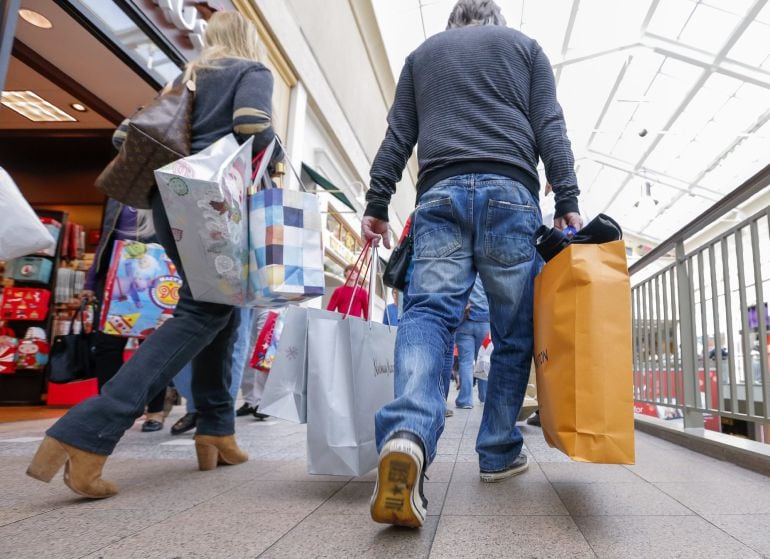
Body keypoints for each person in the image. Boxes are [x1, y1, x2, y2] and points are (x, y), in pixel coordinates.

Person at [26, 11, 280, 499]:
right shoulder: (252, 71)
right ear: (248, 39)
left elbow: (126, 135)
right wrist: (277, 155)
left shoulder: (186, 77)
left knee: (220, 311)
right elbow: (253, 123)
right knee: (204, 307)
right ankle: (88, 430)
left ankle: (216, 429)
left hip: (169, 198)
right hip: (217, 203)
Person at [363, 0, 582, 528]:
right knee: (512, 333)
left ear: (454, 21)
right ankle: (499, 451)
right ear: (495, 20)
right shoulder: (525, 50)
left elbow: (399, 135)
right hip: (511, 194)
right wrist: (568, 197)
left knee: (428, 315)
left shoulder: (422, 56)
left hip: (439, 195)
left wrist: (376, 203)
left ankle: (407, 435)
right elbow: (550, 124)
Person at [81, 197, 170, 433]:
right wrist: (90, 282)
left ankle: (155, 409)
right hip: (116, 277)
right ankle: (107, 409)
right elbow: (105, 240)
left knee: (153, 346)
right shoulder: (117, 196)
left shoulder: (166, 190)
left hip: (156, 276)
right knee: (107, 346)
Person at [454, 275, 490, 408]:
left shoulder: (464, 268)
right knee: (483, 359)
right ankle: (484, 396)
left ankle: (465, 400)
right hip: (484, 322)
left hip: (464, 321)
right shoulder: (485, 269)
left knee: (465, 362)